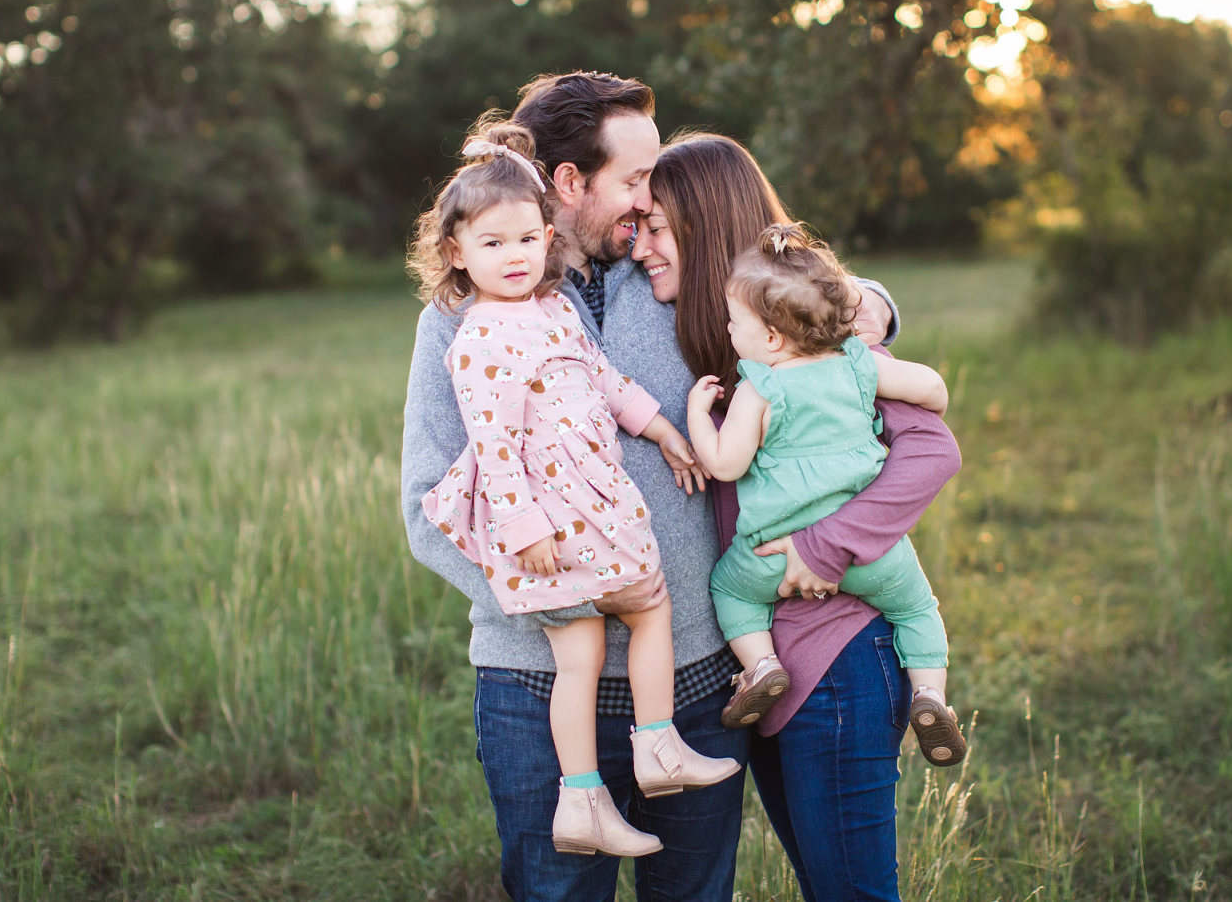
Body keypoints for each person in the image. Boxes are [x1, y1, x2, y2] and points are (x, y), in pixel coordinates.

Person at [401, 74, 938, 902]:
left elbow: (787, 270)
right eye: (637, 178)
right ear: (572, 185)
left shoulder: (675, 274)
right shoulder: (460, 320)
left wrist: (870, 301)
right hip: (535, 684)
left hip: (691, 683)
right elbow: (426, 503)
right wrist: (565, 601)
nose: (653, 196)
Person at [630, 132, 964, 901]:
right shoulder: (728, 330)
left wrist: (825, 545)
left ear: (707, 227)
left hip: (837, 657)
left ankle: (929, 691)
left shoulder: (819, 337)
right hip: (771, 668)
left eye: (658, 227)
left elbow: (932, 449)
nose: (640, 245)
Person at [410, 122, 740, 858]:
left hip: (678, 643)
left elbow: (606, 378)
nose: (647, 199)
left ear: (545, 232)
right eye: (633, 180)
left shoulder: (597, 290)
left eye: (526, 240)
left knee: (611, 634)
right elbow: (489, 453)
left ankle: (638, 760)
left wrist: (661, 428)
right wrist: (526, 549)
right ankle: (595, 789)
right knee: (602, 637)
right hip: (549, 583)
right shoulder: (470, 334)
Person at [683, 222, 966, 767]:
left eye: (733, 320)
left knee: (730, 592)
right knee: (916, 609)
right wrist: (921, 384)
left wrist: (698, 414)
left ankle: (762, 666)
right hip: (869, 550)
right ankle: (930, 695)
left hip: (770, 556)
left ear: (769, 338)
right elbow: (932, 390)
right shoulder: (858, 366)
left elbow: (723, 464)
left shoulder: (758, 387)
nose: (727, 327)